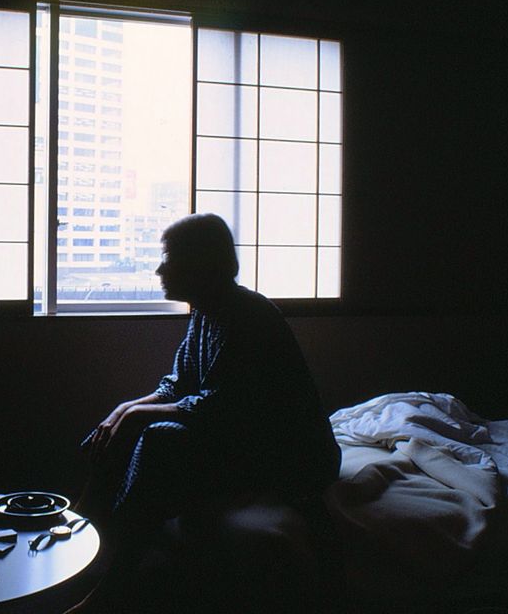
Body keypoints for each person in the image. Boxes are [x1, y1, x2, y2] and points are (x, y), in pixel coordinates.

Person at [67, 213, 341, 613]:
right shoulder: (205, 311)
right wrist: (124, 410)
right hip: (240, 437)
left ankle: (114, 584)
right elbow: (178, 385)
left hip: (289, 457)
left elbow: (222, 407)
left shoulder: (249, 315)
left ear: (200, 262)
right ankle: (81, 527)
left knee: (158, 438)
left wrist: (138, 417)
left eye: (168, 259)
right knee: (122, 426)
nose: (159, 270)